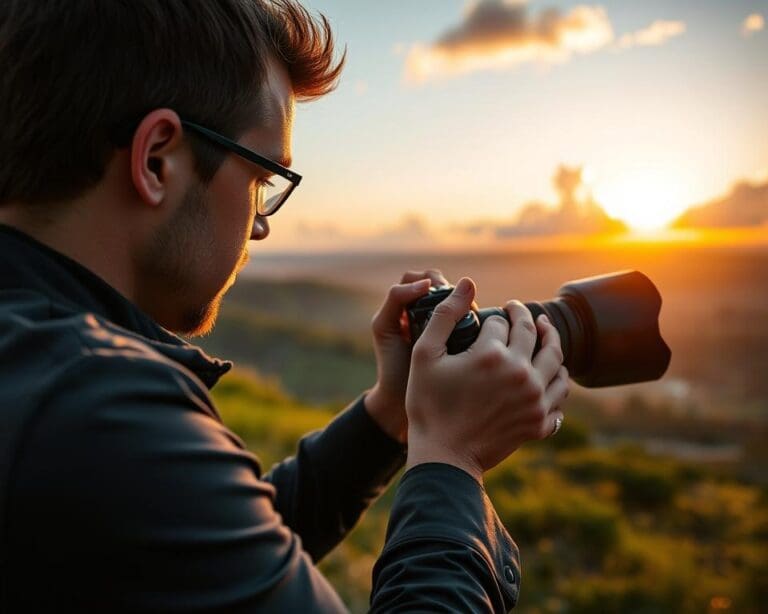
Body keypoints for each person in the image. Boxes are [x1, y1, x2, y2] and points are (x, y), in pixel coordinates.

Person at [0, 1, 569, 611]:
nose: (260, 227)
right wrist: (452, 459)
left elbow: (202, 557)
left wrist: (390, 418)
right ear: (157, 159)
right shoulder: (95, 407)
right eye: (261, 179)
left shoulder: (41, 378)